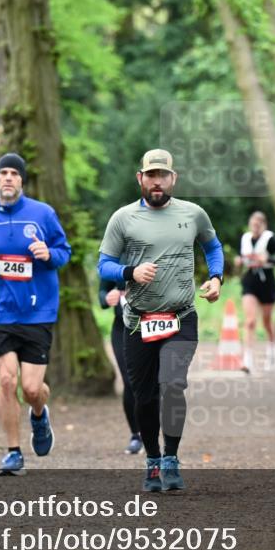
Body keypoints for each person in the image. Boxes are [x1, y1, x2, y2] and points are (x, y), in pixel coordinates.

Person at [97, 148, 224, 492]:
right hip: (138, 321)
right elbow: (104, 264)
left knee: (172, 384)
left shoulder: (193, 213)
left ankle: (171, 457)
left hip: (181, 317)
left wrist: (216, 277)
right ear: (140, 178)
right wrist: (130, 271)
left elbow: (213, 247)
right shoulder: (122, 219)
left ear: (173, 178)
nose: (157, 182)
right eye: (150, 175)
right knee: (145, 395)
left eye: (162, 175)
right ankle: (152, 459)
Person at [0, 152, 72, 475]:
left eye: (14, 174)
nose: (8, 178)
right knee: (7, 380)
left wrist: (49, 253)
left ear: (22, 180)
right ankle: (12, 452)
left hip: (37, 312)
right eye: (3, 173)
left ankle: (39, 414)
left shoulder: (43, 214)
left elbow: (64, 252)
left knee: (32, 389)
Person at [234, 211, 275, 372]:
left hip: (267, 282)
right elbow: (240, 256)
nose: (255, 228)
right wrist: (238, 260)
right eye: (253, 224)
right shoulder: (245, 238)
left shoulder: (270, 240)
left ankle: (272, 349)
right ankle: (247, 360)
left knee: (266, 320)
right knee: (250, 321)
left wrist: (268, 259)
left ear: (264, 225)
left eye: (258, 225)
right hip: (250, 281)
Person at [98, 277, 143, 455]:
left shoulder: (156, 252)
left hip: (152, 325)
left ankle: (153, 428)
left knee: (151, 381)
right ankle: (136, 435)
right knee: (130, 381)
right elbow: (102, 293)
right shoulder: (115, 255)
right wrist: (106, 297)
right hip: (122, 328)